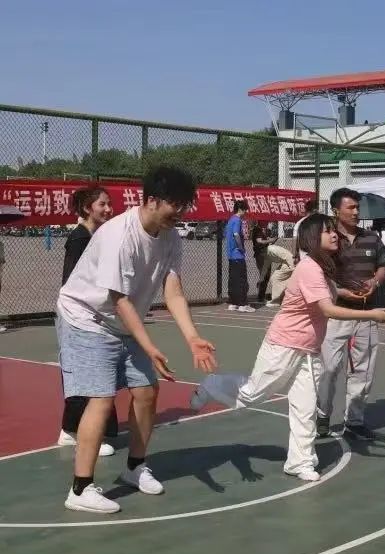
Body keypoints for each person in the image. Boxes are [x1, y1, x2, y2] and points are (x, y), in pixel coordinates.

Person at [56, 166, 217, 514]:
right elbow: (120, 299)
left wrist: (192, 337)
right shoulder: (118, 234)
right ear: (152, 200)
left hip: (121, 321)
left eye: (185, 205)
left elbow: (173, 292)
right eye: (176, 205)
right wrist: (148, 346)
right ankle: (80, 489)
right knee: (101, 399)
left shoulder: (170, 237)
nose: (181, 212)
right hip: (86, 317)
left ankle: (134, 467)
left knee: (146, 391)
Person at [190, 214, 385, 481]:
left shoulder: (321, 267)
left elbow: (326, 292)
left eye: (333, 230)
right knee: (252, 394)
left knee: (305, 407)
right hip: (284, 344)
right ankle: (211, 384)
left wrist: (346, 293)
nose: (334, 234)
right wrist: (371, 314)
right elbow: (327, 309)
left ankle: (300, 462)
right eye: (327, 231)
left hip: (308, 350)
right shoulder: (310, 267)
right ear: (312, 238)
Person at [316, 188, 385, 440]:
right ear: (336, 210)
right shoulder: (327, 239)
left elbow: (383, 267)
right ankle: (322, 416)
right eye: (351, 207)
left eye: (358, 207)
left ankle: (354, 421)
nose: (356, 212)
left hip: (366, 314)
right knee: (328, 369)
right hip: (335, 315)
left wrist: (375, 282)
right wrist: (340, 292)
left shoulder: (371, 238)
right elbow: (317, 276)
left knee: (362, 370)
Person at [58, 186, 118, 457]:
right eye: (102, 204)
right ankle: (76, 432)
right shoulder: (80, 238)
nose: (108, 209)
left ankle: (72, 429)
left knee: (93, 374)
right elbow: (72, 282)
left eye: (109, 203)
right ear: (86, 208)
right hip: (78, 317)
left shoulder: (95, 236)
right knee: (87, 375)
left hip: (92, 315)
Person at [225, 200, 255, 313]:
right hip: (238, 255)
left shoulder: (230, 220)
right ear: (240, 209)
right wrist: (241, 247)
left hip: (231, 256)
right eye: (245, 209)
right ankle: (243, 304)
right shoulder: (237, 220)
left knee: (233, 280)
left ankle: (233, 303)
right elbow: (236, 234)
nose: (246, 212)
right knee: (242, 280)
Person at [252, 221, 277, 302]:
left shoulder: (266, 230)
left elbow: (268, 240)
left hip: (267, 254)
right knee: (264, 273)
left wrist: (273, 240)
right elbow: (259, 241)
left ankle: (262, 295)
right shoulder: (257, 229)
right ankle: (260, 296)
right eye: (265, 222)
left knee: (267, 275)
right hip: (260, 254)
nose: (267, 223)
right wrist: (269, 240)